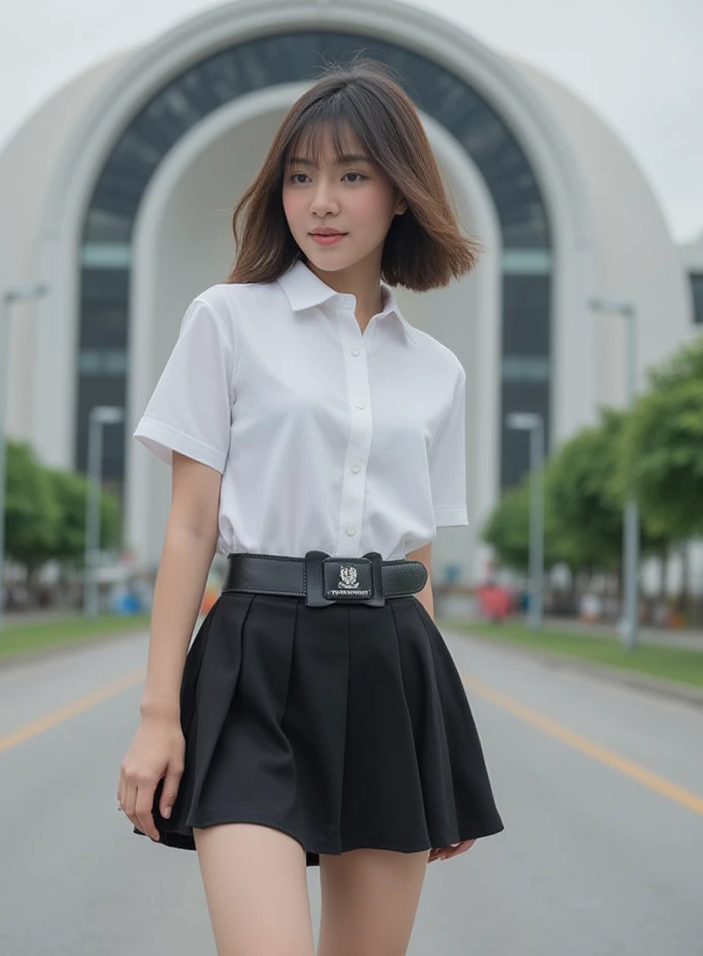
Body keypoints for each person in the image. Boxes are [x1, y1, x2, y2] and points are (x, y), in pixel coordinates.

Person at [117, 57, 504, 956]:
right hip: (255, 655)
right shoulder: (226, 320)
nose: (321, 202)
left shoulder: (436, 372)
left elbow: (420, 564)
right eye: (301, 177)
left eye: (352, 176)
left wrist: (431, 749)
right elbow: (189, 526)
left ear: (401, 194)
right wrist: (157, 714)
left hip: (391, 662)